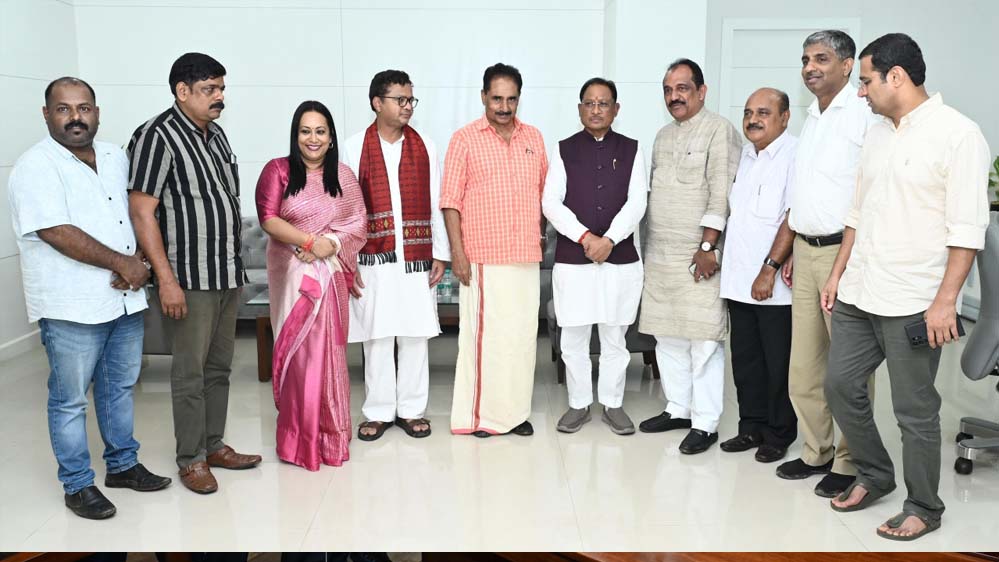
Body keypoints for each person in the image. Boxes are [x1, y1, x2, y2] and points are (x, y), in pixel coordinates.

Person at [823, 33, 990, 541]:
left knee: (914, 411)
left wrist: (946, 303)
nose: (860, 92)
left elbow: (967, 232)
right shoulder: (877, 134)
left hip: (914, 301)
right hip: (859, 291)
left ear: (896, 77)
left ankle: (924, 506)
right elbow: (857, 212)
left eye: (866, 81)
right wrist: (837, 273)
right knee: (840, 386)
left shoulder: (959, 135)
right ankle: (875, 474)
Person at [8, 77, 171, 520]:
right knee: (70, 399)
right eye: (63, 109)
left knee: (119, 387)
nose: (75, 117)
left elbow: (138, 214)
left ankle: (122, 465)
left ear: (97, 113)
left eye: (83, 108)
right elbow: (56, 230)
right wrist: (122, 263)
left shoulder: (117, 156)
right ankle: (78, 484)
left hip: (123, 300)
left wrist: (140, 259)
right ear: (47, 114)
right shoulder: (35, 166)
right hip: (70, 306)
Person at [128, 52, 261, 494]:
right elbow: (142, 212)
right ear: (182, 91)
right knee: (189, 372)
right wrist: (165, 279)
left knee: (219, 367)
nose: (219, 97)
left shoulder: (217, 134)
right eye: (210, 89)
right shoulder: (156, 136)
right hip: (188, 277)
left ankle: (213, 444)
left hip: (226, 272)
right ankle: (191, 459)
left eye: (221, 88)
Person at [777, 30, 881, 498]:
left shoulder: (863, 115)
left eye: (821, 58)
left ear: (847, 65)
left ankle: (850, 458)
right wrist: (794, 248)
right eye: (805, 60)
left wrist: (841, 262)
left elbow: (868, 196)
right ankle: (815, 450)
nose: (810, 67)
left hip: (846, 254)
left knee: (847, 368)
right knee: (805, 366)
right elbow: (808, 191)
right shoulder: (813, 117)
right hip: (806, 252)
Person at [256, 100, 367, 471]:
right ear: (296, 135)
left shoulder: (344, 177)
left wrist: (329, 244)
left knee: (329, 356)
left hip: (330, 277)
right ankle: (299, 441)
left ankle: (331, 437)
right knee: (300, 358)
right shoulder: (278, 170)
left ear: (331, 137)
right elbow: (269, 219)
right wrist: (308, 241)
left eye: (320, 131)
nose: (313, 138)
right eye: (305, 131)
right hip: (292, 278)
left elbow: (358, 224)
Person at [637, 58, 742, 454]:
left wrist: (708, 246)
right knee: (668, 337)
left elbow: (722, 190)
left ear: (701, 91)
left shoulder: (719, 130)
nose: (674, 96)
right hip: (661, 255)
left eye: (682, 88)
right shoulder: (663, 136)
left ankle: (705, 422)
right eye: (668, 90)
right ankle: (678, 408)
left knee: (703, 340)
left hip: (699, 255)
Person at [440, 62, 548, 437]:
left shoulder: (534, 138)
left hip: (525, 254)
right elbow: (450, 201)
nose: (504, 107)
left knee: (521, 339)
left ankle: (514, 414)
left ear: (519, 99)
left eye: (511, 99)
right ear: (484, 96)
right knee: (486, 340)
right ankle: (482, 417)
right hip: (484, 256)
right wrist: (458, 253)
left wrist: (540, 236)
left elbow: (544, 195)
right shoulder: (464, 139)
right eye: (497, 98)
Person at [342, 70, 449, 441]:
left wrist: (440, 252)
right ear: (377, 102)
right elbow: (347, 210)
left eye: (410, 100)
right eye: (400, 100)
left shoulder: (425, 146)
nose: (407, 107)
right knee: (377, 334)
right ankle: (378, 411)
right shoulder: (354, 147)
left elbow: (436, 201)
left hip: (416, 255)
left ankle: (412, 409)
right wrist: (349, 260)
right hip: (372, 258)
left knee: (415, 333)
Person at [542, 77, 647, 435]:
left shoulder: (632, 149)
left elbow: (638, 202)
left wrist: (610, 239)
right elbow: (550, 201)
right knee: (573, 335)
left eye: (604, 103)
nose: (596, 109)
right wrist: (586, 237)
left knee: (615, 335)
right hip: (575, 259)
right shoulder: (564, 149)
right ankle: (578, 404)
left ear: (616, 109)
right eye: (590, 103)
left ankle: (613, 404)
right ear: (580, 109)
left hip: (620, 259)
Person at [718, 88, 797, 463]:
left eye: (763, 112)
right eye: (749, 112)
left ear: (785, 117)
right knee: (746, 361)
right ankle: (750, 426)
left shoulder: (795, 155)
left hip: (774, 284)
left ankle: (778, 434)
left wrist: (770, 269)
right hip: (738, 280)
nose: (753, 119)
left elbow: (792, 216)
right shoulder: (746, 156)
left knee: (777, 363)